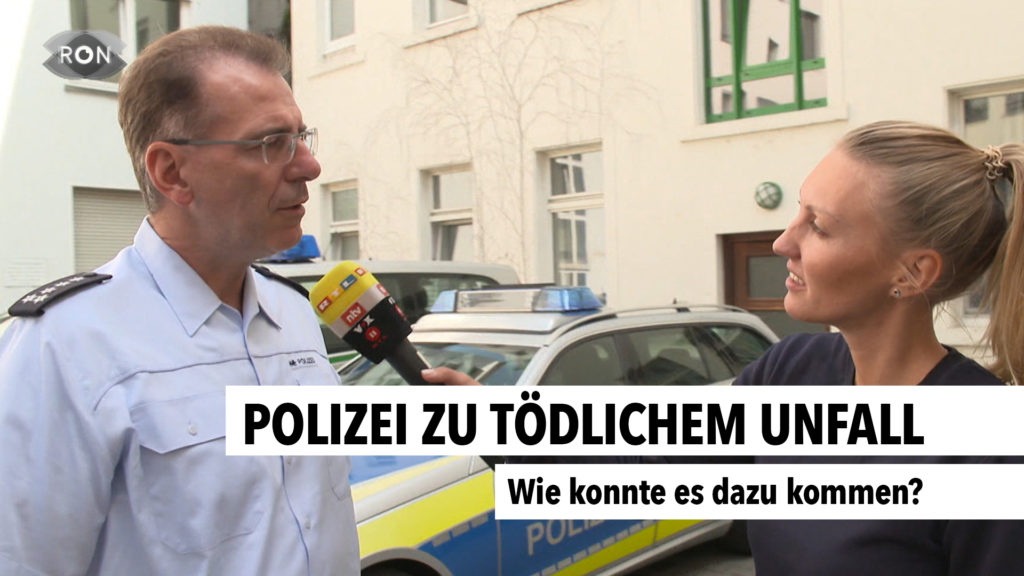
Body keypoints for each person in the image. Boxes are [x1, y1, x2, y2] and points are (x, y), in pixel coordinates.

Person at [424, 120, 1024, 575]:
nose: (783, 241)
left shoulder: (989, 448)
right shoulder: (794, 371)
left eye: (819, 226)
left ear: (913, 272)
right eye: (798, 212)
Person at [0, 27, 358, 575]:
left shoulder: (293, 315)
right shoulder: (64, 348)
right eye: (271, 143)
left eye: (301, 136)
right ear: (171, 172)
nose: (308, 166)